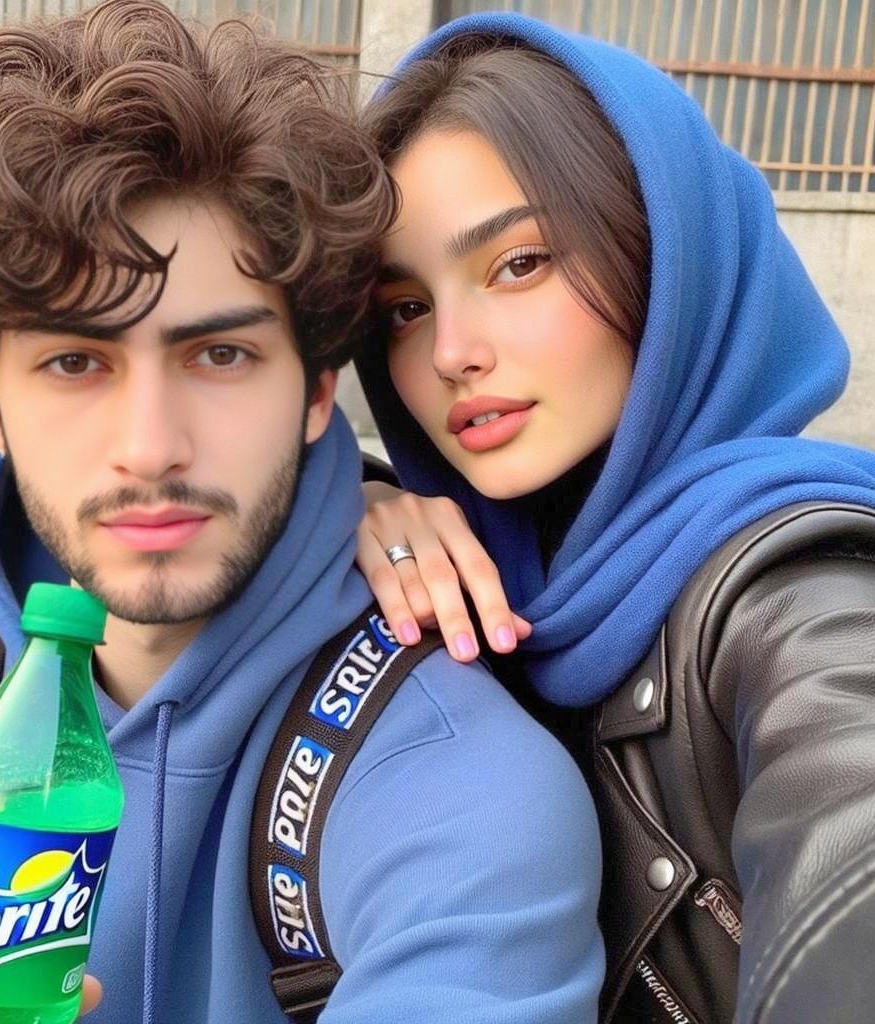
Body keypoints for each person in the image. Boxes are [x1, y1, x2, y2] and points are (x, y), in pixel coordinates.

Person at [0, 3, 606, 1023]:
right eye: (75, 362)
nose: (151, 444)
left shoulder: (458, 790)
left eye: (220, 355)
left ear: (314, 393)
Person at [353, 12, 875, 1024]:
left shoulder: (799, 598)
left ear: (666, 260)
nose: (452, 351)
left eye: (518, 264)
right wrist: (356, 496)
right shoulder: (500, 572)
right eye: (406, 307)